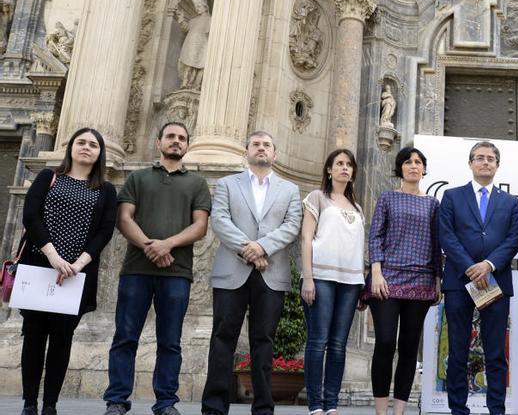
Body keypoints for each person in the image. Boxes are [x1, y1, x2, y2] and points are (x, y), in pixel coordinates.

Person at [103, 122, 212, 415]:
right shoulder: (138, 178)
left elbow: (200, 226)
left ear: (187, 145)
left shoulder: (197, 184)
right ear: (158, 141)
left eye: (182, 138)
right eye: (171, 137)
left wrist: (167, 245)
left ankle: (166, 403)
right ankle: (117, 400)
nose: (176, 142)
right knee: (125, 336)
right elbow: (124, 218)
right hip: (136, 270)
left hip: (177, 273)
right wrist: (150, 247)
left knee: (170, 340)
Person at [201, 131, 302, 415]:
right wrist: (249, 250)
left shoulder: (289, 189)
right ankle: (214, 407)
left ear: (275, 153)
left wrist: (262, 248)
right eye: (256, 144)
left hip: (271, 273)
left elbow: (292, 226)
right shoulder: (226, 184)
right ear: (247, 151)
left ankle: (263, 407)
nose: (261, 148)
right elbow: (219, 220)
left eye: (266, 145)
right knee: (222, 338)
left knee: (263, 341)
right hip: (232, 270)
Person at [18, 128, 117, 415]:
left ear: (100, 152)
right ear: (71, 147)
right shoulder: (48, 177)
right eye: (81, 142)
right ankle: (29, 403)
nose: (86, 148)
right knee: (34, 336)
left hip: (76, 273)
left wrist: (77, 264)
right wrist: (53, 256)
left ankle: (50, 405)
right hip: (40, 265)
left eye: (93, 145)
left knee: (62, 339)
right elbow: (31, 216)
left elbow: (105, 231)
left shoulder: (106, 190)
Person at [439, 141, 518, 415]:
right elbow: (447, 236)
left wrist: (488, 265)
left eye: (490, 159)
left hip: (495, 282)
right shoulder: (452, 196)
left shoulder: (510, 202)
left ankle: (496, 408)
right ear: (470, 163)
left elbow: (513, 239)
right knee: (459, 350)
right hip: (459, 283)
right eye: (480, 158)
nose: (485, 162)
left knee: (496, 351)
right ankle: (457, 409)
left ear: (497, 165)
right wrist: (470, 267)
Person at [365, 146, 441, 415]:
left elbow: (436, 243)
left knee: (409, 347)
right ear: (400, 168)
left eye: (418, 162)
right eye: (408, 162)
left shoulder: (433, 204)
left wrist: (437, 280)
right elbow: (375, 235)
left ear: (423, 169)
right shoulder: (387, 198)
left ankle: (399, 411)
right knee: (385, 341)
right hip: (387, 279)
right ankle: (381, 411)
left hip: (420, 281)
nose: (413, 166)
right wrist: (376, 272)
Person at [300, 149, 365, 415]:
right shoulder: (317, 197)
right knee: (318, 341)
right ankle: (315, 404)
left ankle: (331, 404)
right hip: (322, 276)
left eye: (349, 165)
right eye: (339, 163)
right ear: (329, 169)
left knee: (339, 344)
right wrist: (308, 277)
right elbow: (306, 238)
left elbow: (357, 246)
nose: (344, 168)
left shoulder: (358, 207)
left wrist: (362, 283)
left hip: (350, 281)